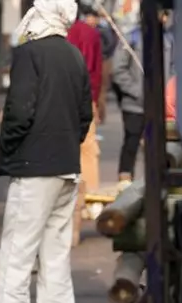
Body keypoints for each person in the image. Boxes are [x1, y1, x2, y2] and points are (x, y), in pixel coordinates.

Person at [0, 0, 92, 303]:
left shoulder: (30, 54)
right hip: (66, 166)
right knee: (55, 253)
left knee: (17, 252)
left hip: (34, 167)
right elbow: (85, 115)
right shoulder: (74, 55)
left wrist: (11, 150)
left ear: (40, 17)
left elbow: (19, 111)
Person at [113, 14, 173, 182]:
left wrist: (167, 91)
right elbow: (119, 69)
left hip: (161, 104)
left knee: (158, 146)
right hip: (135, 105)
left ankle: (156, 182)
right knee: (131, 143)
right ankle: (124, 182)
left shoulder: (169, 39)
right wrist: (138, 91)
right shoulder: (131, 38)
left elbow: (175, 67)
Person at [67, 3, 102, 247]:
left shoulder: (58, 33)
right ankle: (90, 201)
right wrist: (95, 100)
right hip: (86, 95)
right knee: (88, 148)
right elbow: (95, 71)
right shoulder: (91, 34)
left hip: (60, 98)